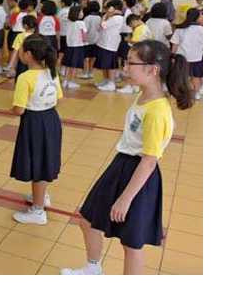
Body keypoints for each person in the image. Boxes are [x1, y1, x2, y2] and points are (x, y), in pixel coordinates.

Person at [61, 40, 193, 275]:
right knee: (87, 219)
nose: (125, 68)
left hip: (139, 175)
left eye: (131, 63)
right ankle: (92, 269)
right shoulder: (143, 95)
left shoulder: (157, 111)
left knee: (131, 243)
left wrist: (125, 199)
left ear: (153, 70)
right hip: (121, 165)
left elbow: (149, 160)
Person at [10, 35, 63, 225]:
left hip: (34, 122)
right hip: (51, 118)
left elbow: (19, 109)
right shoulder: (51, 72)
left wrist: (12, 109)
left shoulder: (25, 77)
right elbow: (59, 98)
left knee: (37, 163)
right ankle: (41, 196)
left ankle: (38, 210)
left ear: (28, 55)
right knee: (45, 160)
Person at [170, 8, 203, 100]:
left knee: (180, 76)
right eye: (201, 15)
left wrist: (172, 56)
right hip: (197, 58)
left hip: (181, 58)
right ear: (197, 17)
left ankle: (178, 92)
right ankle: (196, 94)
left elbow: (175, 44)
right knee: (196, 76)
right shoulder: (202, 29)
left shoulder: (180, 29)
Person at [117, 15, 154, 94]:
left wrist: (128, 40)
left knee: (131, 70)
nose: (131, 27)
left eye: (131, 25)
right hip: (144, 53)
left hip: (138, 53)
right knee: (137, 71)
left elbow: (136, 41)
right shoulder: (145, 27)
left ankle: (129, 87)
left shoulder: (139, 29)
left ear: (134, 21)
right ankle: (135, 87)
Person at [94, 0, 125, 92]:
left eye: (108, 7)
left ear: (113, 8)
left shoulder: (117, 18)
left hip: (110, 44)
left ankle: (111, 83)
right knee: (104, 64)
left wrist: (106, 16)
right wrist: (106, 16)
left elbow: (103, 25)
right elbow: (99, 27)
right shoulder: (109, 16)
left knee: (110, 65)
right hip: (103, 43)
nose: (106, 9)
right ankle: (106, 80)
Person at [62, 6, 87, 90]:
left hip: (69, 46)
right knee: (74, 65)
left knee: (68, 65)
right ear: (77, 13)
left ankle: (65, 81)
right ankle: (71, 81)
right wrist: (85, 41)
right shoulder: (81, 23)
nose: (82, 13)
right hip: (78, 46)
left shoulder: (69, 22)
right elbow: (84, 35)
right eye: (81, 12)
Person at [6, 15, 37, 81]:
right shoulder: (38, 36)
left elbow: (15, 52)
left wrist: (11, 66)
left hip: (22, 63)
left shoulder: (20, 36)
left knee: (21, 81)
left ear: (25, 26)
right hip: (35, 63)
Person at [80, 0, 102, 80]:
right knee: (93, 57)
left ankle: (85, 73)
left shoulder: (87, 18)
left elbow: (84, 30)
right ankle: (91, 72)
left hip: (87, 40)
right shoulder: (100, 18)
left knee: (86, 57)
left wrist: (83, 39)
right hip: (96, 40)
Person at [58, 0, 73, 73]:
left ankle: (60, 68)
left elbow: (58, 22)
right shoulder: (72, 10)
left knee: (61, 52)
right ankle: (64, 68)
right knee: (68, 52)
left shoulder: (61, 11)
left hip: (62, 34)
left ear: (63, 3)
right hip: (70, 35)